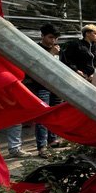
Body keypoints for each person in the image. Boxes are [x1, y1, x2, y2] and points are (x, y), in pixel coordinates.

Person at [24, 23, 64, 157]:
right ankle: (41, 147)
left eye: (56, 38)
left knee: (54, 114)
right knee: (43, 115)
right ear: (42, 36)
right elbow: (34, 68)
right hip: (41, 86)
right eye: (50, 37)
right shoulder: (35, 48)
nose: (53, 41)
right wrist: (50, 55)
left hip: (55, 86)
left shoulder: (57, 49)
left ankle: (52, 140)